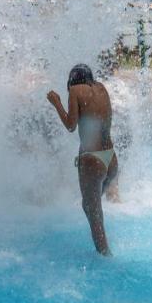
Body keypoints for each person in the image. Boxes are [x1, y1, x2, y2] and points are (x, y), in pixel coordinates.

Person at [47, 64, 120, 255]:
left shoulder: (75, 90)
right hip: (111, 159)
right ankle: (105, 251)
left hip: (92, 160)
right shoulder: (101, 88)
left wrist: (56, 103)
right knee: (90, 206)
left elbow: (71, 125)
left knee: (92, 211)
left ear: (72, 80)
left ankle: (106, 257)